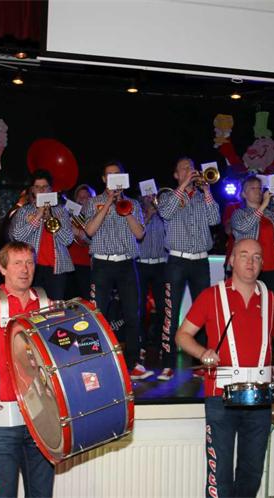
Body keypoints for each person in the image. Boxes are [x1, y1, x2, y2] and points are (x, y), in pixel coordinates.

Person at [176, 238, 274, 498]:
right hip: (221, 397)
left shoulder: (272, 299)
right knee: (220, 477)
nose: (251, 262)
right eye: (244, 255)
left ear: (262, 263)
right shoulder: (211, 296)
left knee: (252, 474)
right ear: (231, 261)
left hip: (260, 397)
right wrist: (203, 353)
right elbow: (182, 335)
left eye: (257, 257)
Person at [0, 241, 55, 498]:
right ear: (3, 268)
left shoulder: (50, 307)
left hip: (43, 418)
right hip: (1, 419)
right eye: (17, 263)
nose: (25, 269)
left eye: (29, 263)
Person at [157, 157, 220, 381]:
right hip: (177, 260)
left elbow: (215, 219)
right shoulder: (168, 196)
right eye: (184, 168)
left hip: (201, 261)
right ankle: (168, 364)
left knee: (203, 313)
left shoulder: (203, 197)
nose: (189, 170)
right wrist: (184, 186)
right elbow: (165, 212)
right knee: (170, 313)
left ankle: (201, 362)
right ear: (176, 175)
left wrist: (207, 191)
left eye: (191, 167)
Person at [83, 161, 146, 380]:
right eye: (109, 175)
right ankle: (98, 361)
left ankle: (133, 362)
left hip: (126, 264)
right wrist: (109, 201)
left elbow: (140, 234)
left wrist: (124, 208)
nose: (113, 178)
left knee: (132, 314)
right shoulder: (93, 202)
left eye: (117, 174)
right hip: (102, 264)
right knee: (97, 314)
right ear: (103, 179)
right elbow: (89, 231)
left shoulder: (133, 203)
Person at [10, 169, 74, 300]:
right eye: (37, 187)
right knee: (32, 306)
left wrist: (50, 218)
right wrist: (38, 215)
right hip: (31, 267)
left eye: (45, 187)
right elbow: (17, 236)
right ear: (32, 190)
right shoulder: (24, 211)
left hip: (57, 268)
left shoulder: (61, 211)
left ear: (50, 189)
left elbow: (68, 239)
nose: (41, 190)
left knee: (55, 308)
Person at [230, 175, 274, 299]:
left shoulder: (269, 213)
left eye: (259, 188)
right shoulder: (239, 213)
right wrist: (263, 205)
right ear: (243, 194)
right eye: (253, 188)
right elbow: (244, 227)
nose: (258, 191)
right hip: (250, 266)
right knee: (252, 303)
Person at [137, 194, 167, 367]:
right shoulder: (137, 212)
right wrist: (148, 214)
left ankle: (161, 344)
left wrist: (159, 210)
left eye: (152, 194)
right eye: (146, 195)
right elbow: (137, 234)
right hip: (141, 264)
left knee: (163, 307)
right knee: (139, 307)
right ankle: (141, 344)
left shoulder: (164, 213)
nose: (149, 198)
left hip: (161, 264)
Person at [66, 184, 95, 300]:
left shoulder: (95, 216)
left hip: (86, 264)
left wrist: (78, 232)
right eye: (79, 197)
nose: (82, 200)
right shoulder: (69, 215)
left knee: (87, 299)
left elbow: (95, 239)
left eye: (86, 197)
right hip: (69, 263)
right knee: (70, 299)